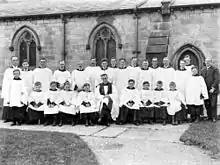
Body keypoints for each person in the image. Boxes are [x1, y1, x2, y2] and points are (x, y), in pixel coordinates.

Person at [1, 56, 21, 122]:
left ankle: (14, 118)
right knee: (8, 102)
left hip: (16, 89)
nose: (15, 61)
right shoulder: (7, 70)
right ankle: (7, 118)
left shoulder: (20, 70)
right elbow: (5, 81)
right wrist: (4, 91)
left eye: (16, 60)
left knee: (15, 103)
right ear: (11, 61)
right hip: (9, 89)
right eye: (13, 60)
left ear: (18, 61)